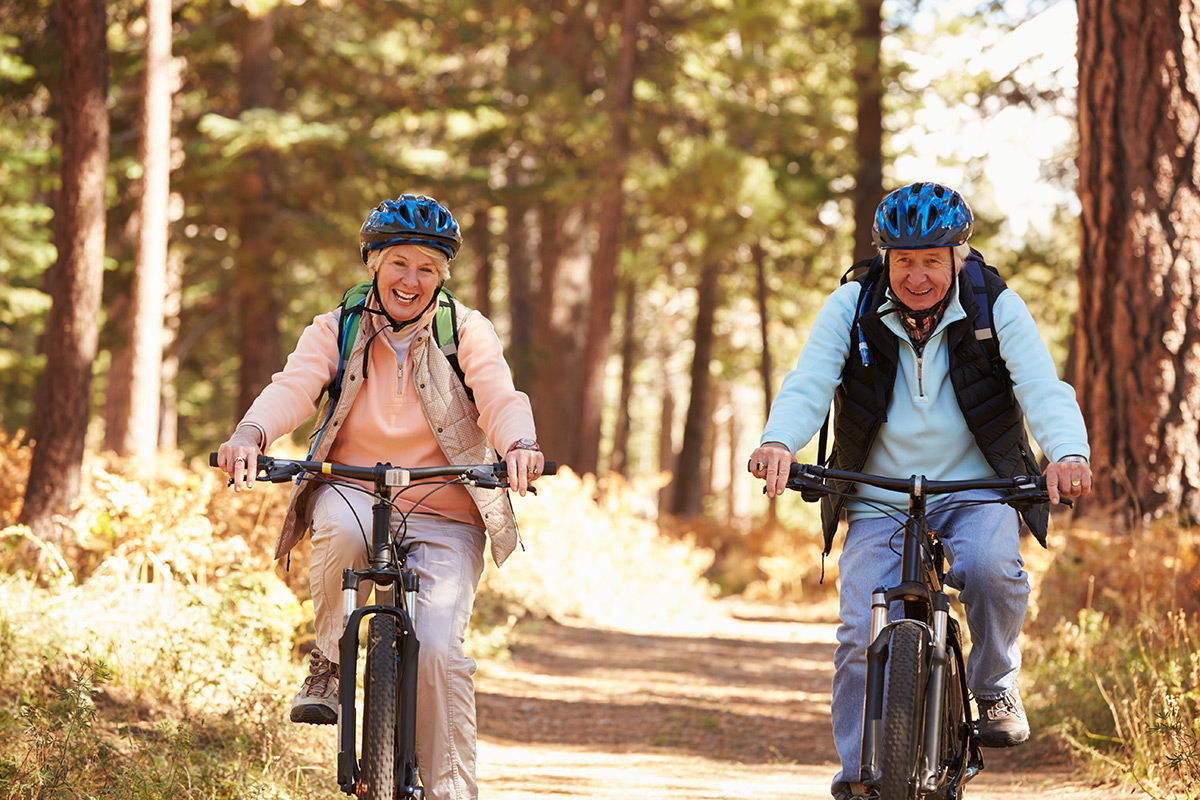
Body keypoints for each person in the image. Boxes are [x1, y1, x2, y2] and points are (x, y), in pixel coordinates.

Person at [746, 182, 1092, 800]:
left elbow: (1043, 387)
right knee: (858, 631)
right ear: (886, 258)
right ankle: (859, 778)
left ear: (960, 255)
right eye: (904, 260)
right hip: (879, 494)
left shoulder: (994, 306)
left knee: (991, 569)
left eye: (932, 259)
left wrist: (1067, 453)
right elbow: (809, 382)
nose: (917, 275)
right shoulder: (852, 304)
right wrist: (778, 442)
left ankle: (993, 684)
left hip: (975, 486)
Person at [216, 193, 544, 800]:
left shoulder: (463, 330)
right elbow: (293, 386)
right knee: (339, 531)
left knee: (441, 651)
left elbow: (499, 394)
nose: (411, 280)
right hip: (354, 485)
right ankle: (328, 661)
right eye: (399, 262)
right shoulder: (336, 327)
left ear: (442, 276)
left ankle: (448, 791)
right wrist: (251, 433)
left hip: (446, 502)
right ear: (373, 263)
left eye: (427, 267)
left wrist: (519, 443)